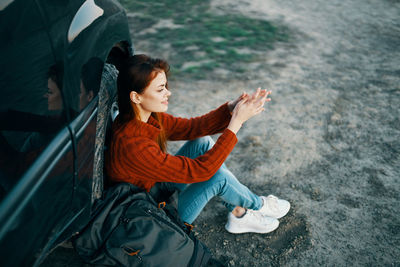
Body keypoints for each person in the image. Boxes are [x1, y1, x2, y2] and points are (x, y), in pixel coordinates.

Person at [105, 54, 290, 234]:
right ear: (136, 97)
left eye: (165, 86)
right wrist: (236, 124)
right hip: (153, 216)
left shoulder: (141, 117)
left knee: (202, 142)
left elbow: (191, 128)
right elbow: (200, 171)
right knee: (218, 179)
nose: (168, 93)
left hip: (155, 187)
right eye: (160, 89)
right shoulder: (133, 146)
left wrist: (229, 110)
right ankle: (259, 206)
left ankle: (238, 214)